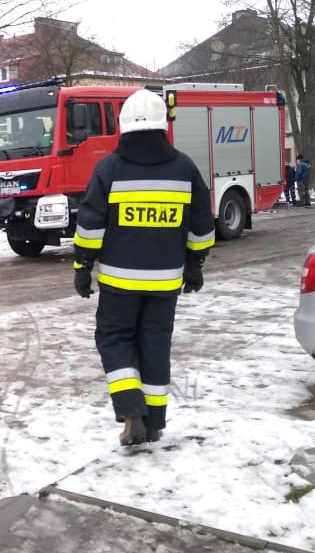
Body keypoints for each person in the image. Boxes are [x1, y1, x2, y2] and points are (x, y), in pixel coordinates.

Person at [73, 88, 215, 446]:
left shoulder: (109, 168)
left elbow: (91, 225)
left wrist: (82, 265)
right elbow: (201, 225)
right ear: (162, 125)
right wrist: (195, 263)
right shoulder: (184, 168)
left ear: (122, 126)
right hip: (165, 281)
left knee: (114, 338)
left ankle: (131, 410)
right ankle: (154, 423)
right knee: (155, 344)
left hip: (119, 280)